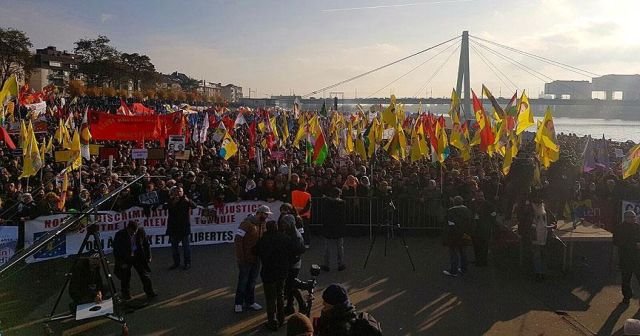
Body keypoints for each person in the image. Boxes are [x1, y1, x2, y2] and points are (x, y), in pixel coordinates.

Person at [255, 218, 300, 331]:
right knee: (280, 295)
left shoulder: (264, 240)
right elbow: (296, 249)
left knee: (270, 298)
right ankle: (281, 318)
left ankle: (272, 321)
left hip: (268, 272)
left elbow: (255, 251)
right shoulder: (284, 238)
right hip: (282, 271)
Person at [234, 205, 271, 313]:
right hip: (245, 259)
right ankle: (238, 303)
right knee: (243, 281)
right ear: (259, 213)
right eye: (265, 214)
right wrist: (241, 257)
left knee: (252, 281)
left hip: (257, 258)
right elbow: (238, 240)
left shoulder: (263, 224)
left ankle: (250, 301)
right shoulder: (246, 223)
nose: (267, 217)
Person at [113, 221, 156, 300]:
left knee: (144, 275)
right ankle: (126, 294)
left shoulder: (140, 232)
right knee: (125, 277)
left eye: (135, 232)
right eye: (132, 232)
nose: (133, 234)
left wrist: (149, 256)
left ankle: (150, 292)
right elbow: (116, 250)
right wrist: (121, 263)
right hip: (126, 258)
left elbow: (146, 244)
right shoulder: (120, 234)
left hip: (138, 256)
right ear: (128, 229)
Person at [280, 213, 307, 315]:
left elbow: (300, 250)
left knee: (292, 285)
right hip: (291, 263)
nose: (283, 225)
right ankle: (291, 306)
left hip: (293, 264)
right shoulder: (290, 232)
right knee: (290, 286)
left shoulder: (295, 236)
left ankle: (301, 304)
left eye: (285, 223)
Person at [165, 187, 197, 270]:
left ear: (183, 192)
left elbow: (194, 206)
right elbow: (165, 207)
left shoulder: (186, 200)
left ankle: (187, 263)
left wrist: (188, 201)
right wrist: (173, 203)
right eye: (176, 191)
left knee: (186, 247)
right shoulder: (171, 200)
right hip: (173, 227)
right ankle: (176, 263)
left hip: (184, 227)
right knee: (174, 248)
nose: (178, 193)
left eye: (180, 191)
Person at [614, 210, 640, 304]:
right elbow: (617, 242)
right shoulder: (619, 228)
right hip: (626, 257)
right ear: (626, 218)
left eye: (634, 217)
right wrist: (634, 245)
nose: (633, 219)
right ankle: (627, 296)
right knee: (626, 279)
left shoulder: (637, 227)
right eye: (631, 217)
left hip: (637, 257)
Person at [529, 191, 556, 282]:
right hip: (535, 237)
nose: (539, 204)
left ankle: (543, 272)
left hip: (545, 236)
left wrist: (552, 225)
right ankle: (538, 272)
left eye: (540, 202)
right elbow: (526, 223)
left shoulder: (546, 211)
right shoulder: (530, 211)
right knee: (537, 255)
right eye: (536, 202)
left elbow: (554, 221)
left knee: (544, 254)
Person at [443, 196, 473, 277]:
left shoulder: (451, 211)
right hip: (465, 234)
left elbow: (450, 224)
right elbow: (470, 223)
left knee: (453, 252)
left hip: (454, 235)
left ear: (454, 202)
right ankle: (464, 269)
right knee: (463, 252)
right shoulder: (468, 211)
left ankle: (453, 270)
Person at [320, 187, 346, 272]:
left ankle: (326, 265)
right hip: (339, 227)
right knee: (340, 247)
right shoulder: (342, 203)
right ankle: (341, 264)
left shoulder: (326, 202)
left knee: (327, 247)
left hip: (328, 226)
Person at [471, 192, 496, 267]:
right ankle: (478, 260)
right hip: (476, 228)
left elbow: (494, 214)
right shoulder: (472, 204)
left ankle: (484, 261)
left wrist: (490, 222)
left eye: (481, 196)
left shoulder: (489, 205)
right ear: (475, 196)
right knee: (476, 246)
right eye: (478, 196)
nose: (480, 197)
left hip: (485, 228)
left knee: (484, 246)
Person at [291, 182, 312, 248]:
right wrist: (301, 213)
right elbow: (308, 207)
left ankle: (296, 243)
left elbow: (291, 203)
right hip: (304, 215)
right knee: (305, 230)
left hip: (295, 214)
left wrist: (296, 213)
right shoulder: (308, 195)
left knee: (296, 230)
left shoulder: (293, 193)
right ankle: (306, 243)